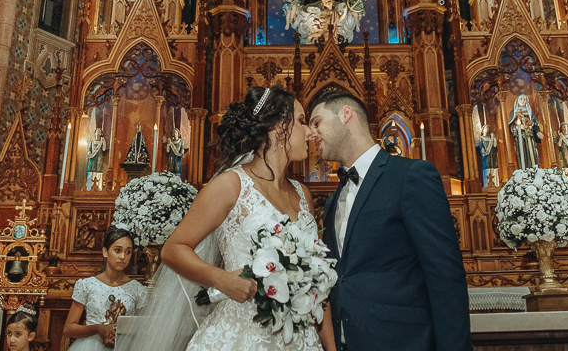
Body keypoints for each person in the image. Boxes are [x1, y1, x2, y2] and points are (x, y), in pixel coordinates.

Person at [153, 85, 333, 351]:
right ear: (278, 128)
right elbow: (172, 250)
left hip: (301, 338)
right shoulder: (231, 185)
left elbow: (317, 281)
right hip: (242, 335)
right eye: (301, 122)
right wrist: (222, 280)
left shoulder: (302, 194)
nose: (309, 132)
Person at [308, 89, 471, 351]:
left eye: (316, 122)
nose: (310, 133)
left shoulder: (411, 177)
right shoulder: (332, 201)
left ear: (346, 114)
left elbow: (445, 276)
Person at [64, 227, 148, 350]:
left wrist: (119, 340)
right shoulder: (87, 285)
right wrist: (98, 328)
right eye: (118, 250)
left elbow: (142, 329)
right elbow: (69, 329)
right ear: (105, 252)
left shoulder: (138, 290)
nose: (123, 257)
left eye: (128, 252)